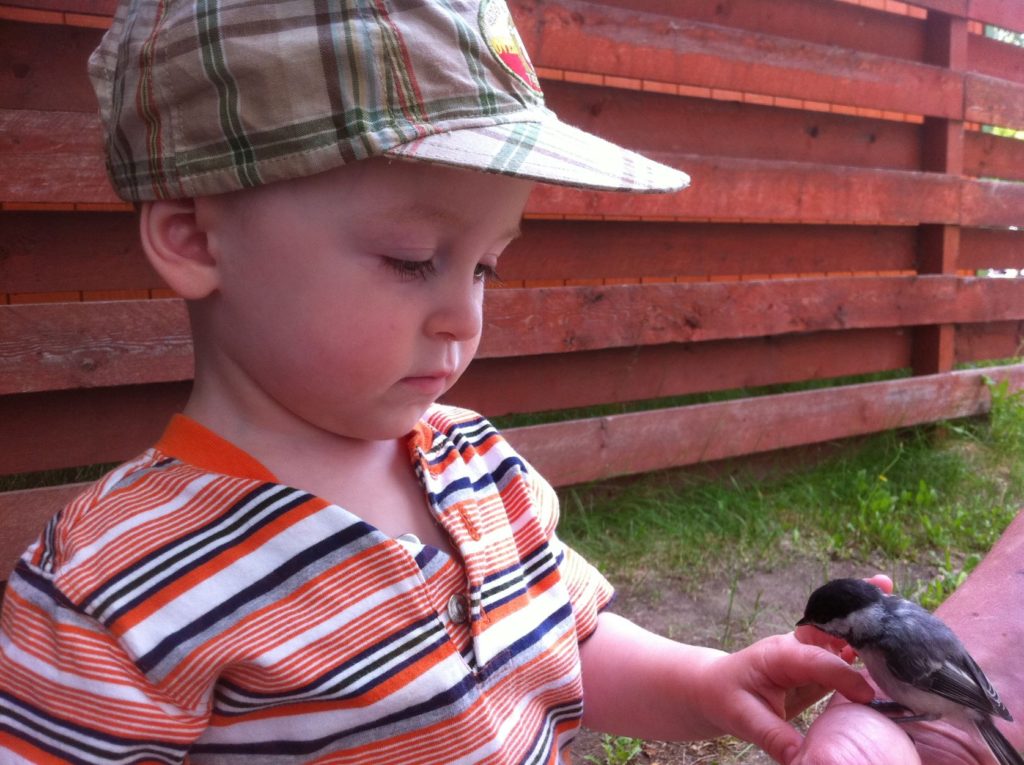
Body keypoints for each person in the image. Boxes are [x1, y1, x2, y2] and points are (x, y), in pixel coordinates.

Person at [0, 2, 1013, 764]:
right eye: (412, 259)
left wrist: (709, 682)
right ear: (193, 238)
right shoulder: (115, 586)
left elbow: (567, 646)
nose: (463, 313)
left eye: (486, 265)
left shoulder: (476, 463)